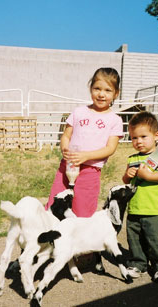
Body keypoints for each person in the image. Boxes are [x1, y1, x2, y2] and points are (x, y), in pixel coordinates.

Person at [45, 67, 124, 217]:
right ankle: (51, 235)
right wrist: (65, 149)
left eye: (108, 90)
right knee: (55, 204)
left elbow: (110, 148)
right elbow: (66, 136)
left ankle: (80, 237)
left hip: (90, 171)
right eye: (97, 88)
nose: (101, 94)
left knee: (83, 210)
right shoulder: (79, 112)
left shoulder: (115, 120)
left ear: (116, 93)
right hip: (67, 166)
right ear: (90, 88)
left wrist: (86, 156)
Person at [122, 111, 158, 283]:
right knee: (135, 239)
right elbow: (125, 180)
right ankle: (138, 263)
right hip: (135, 207)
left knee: (157, 239)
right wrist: (127, 175)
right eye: (133, 138)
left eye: (143, 136)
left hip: (154, 207)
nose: (138, 141)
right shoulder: (132, 158)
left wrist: (147, 176)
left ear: (156, 135)